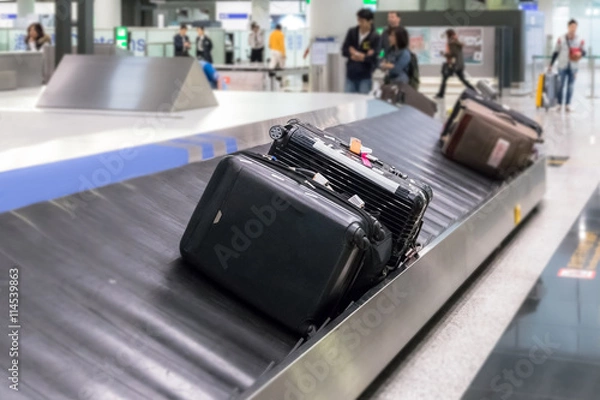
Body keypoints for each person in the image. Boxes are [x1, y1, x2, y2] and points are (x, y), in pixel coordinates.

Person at [549, 19, 586, 112]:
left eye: (575, 27)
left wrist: (580, 53)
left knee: (570, 86)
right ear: (568, 27)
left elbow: (584, 51)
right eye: (571, 27)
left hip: (574, 66)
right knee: (561, 85)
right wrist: (551, 64)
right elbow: (556, 52)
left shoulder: (580, 39)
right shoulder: (561, 39)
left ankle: (568, 104)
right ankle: (559, 104)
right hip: (562, 65)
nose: (573, 29)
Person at [342, 8, 381, 94]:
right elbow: (344, 50)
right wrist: (358, 55)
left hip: (365, 76)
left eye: (362, 21)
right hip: (350, 74)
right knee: (347, 102)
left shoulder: (375, 37)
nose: (360, 23)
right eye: (359, 20)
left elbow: (373, 57)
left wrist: (358, 55)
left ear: (370, 21)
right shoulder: (352, 32)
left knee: (362, 103)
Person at [435, 29, 475, 99]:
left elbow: (453, 54)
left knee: (445, 78)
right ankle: (474, 90)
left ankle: (441, 94)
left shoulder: (452, 43)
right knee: (461, 79)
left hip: (455, 65)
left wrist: (443, 54)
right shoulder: (456, 42)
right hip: (459, 64)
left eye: (446, 35)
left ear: (448, 35)